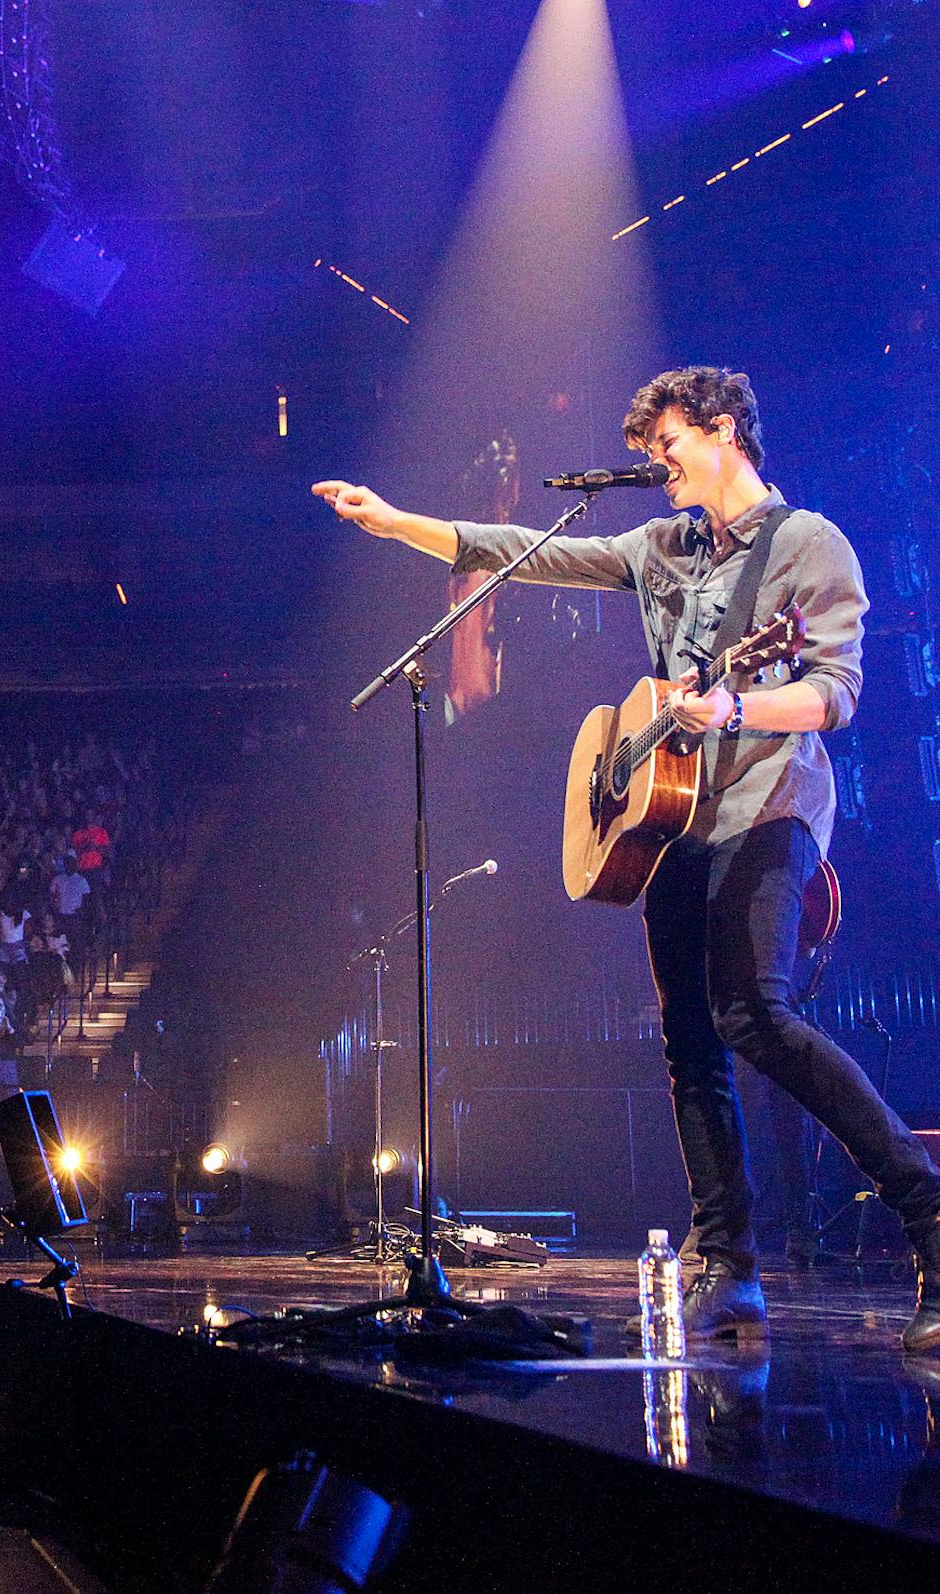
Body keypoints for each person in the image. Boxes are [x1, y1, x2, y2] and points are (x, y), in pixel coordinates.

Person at [313, 364, 940, 1350]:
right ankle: (728, 1263)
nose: (660, 464)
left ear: (724, 430)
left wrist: (735, 704)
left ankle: (929, 1210)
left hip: (769, 804)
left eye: (670, 444)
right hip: (674, 819)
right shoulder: (658, 547)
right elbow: (519, 552)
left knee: (755, 1016)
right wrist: (397, 522)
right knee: (691, 1044)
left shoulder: (809, 545)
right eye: (649, 453)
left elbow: (835, 694)